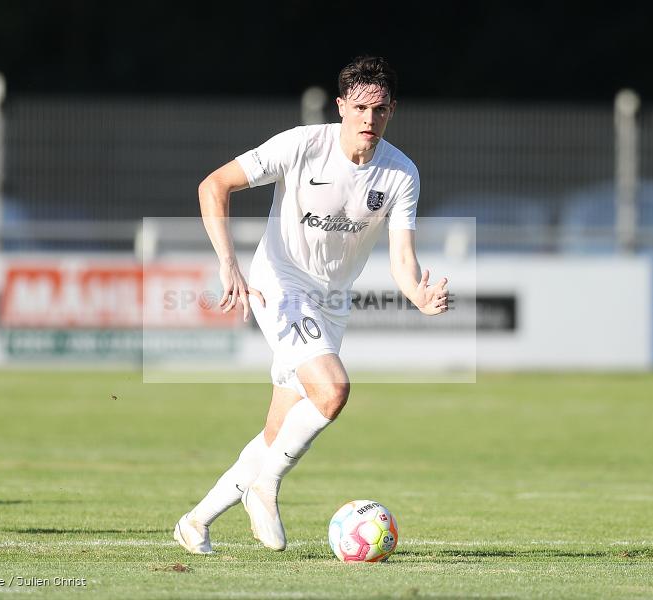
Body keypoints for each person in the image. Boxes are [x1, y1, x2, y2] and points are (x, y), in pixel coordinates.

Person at [175, 56, 448, 554]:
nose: (369, 119)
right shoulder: (301, 145)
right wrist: (228, 264)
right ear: (341, 105)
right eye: (360, 107)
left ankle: (196, 521)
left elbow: (403, 259)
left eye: (380, 109)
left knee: (277, 431)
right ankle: (266, 486)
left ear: (392, 110)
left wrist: (418, 294)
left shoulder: (401, 173)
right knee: (333, 390)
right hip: (280, 286)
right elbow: (213, 186)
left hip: (331, 304)